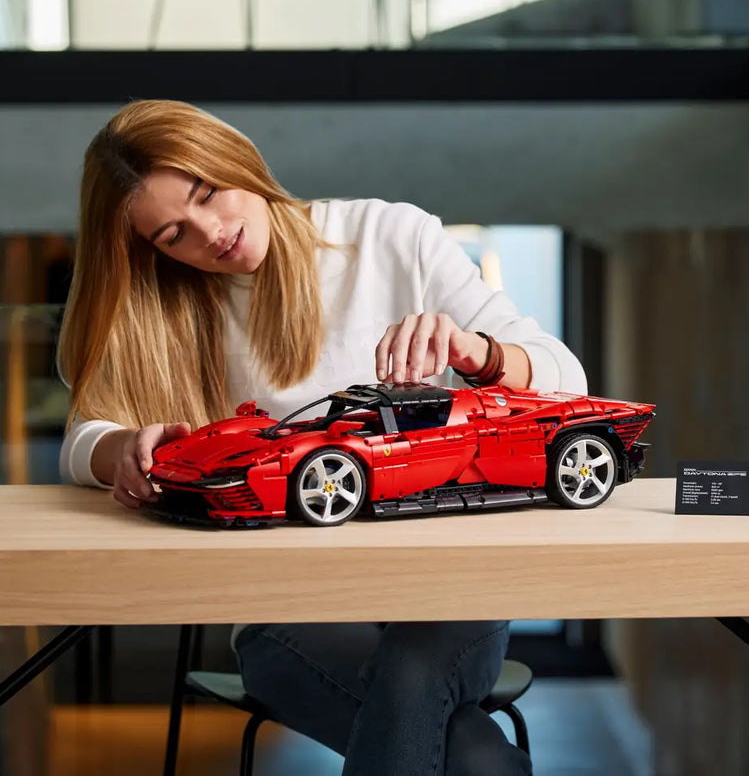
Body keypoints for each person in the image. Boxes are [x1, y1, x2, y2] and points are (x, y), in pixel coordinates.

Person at [56, 99, 586, 776]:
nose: (210, 232)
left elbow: (567, 380)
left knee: (426, 682)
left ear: (234, 160)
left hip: (447, 589)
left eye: (208, 193)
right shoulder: (174, 310)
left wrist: (478, 352)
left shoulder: (390, 237)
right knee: (473, 754)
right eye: (172, 235)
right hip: (289, 609)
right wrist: (122, 446)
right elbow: (84, 438)